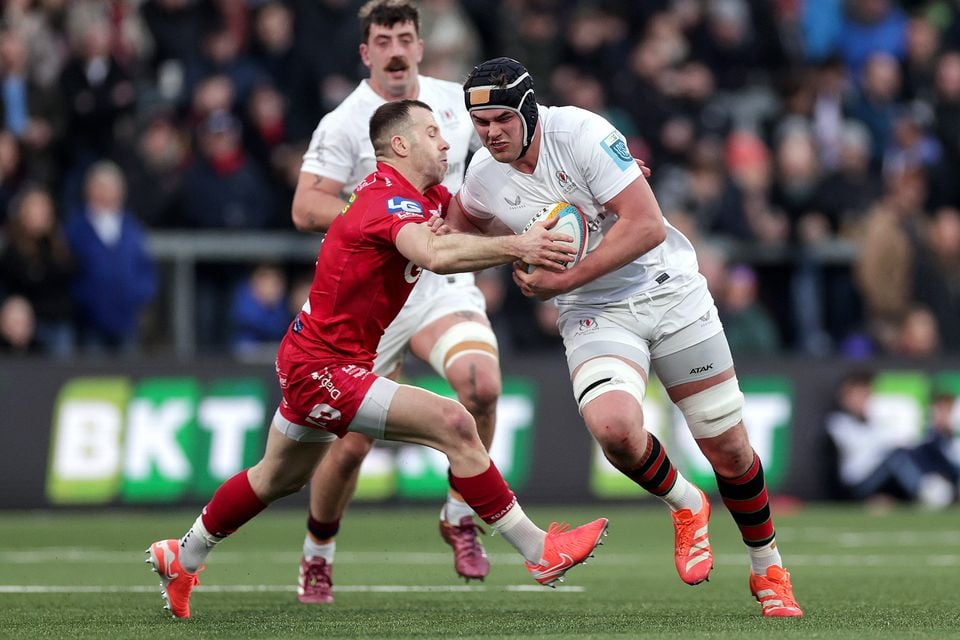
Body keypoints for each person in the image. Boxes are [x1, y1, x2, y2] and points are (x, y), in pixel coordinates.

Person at [145, 99, 609, 620]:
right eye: (433, 133)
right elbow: (436, 255)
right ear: (401, 145)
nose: (446, 142)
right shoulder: (386, 201)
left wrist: (601, 188)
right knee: (455, 422)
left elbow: (487, 216)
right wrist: (521, 245)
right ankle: (539, 552)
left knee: (276, 478)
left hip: (317, 358)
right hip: (323, 368)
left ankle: (181, 556)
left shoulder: (423, 195)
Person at [444, 57, 803, 617]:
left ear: (528, 110)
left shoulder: (584, 133)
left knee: (729, 450)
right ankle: (686, 504)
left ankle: (769, 569)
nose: (491, 133)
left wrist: (559, 277)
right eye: (480, 123)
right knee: (613, 428)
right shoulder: (483, 174)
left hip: (668, 291)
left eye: (501, 120)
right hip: (594, 311)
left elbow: (647, 225)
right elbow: (457, 234)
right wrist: (502, 247)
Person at [289, 0, 500, 601]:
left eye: (405, 36)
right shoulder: (346, 121)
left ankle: (460, 516)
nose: (397, 49)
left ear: (421, 44)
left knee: (481, 386)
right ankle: (318, 551)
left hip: (441, 280)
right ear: (366, 52)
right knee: (352, 444)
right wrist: (387, 222)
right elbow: (306, 207)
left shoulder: (454, 105)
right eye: (383, 40)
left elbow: (497, 167)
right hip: (376, 295)